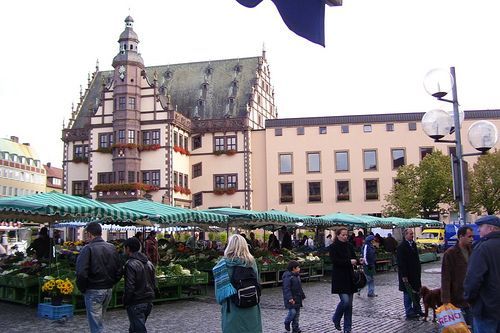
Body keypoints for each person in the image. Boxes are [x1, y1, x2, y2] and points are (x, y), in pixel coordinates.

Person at [76, 222, 123, 333]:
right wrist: (112, 282)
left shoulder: (88, 249)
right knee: (99, 320)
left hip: (94, 289)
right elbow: (120, 269)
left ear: (89, 234)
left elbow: (81, 273)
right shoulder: (111, 247)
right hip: (107, 289)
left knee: (96, 325)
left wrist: (83, 289)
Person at [213, 234, 262, 333]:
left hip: (232, 310)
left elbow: (219, 297)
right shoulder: (251, 262)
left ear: (229, 246)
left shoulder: (222, 265)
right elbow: (257, 282)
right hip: (251, 306)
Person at [464, 215, 500, 333]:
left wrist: (469, 298)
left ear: (491, 228)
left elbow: (473, 279)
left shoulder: (482, 248)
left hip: (486, 308)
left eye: (480, 227)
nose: (478, 230)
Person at [441, 226, 473, 328]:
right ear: (460, 236)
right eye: (469, 236)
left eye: (472, 236)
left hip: (471, 298)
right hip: (457, 299)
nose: (472, 239)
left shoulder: (472, 250)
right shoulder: (450, 253)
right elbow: (445, 278)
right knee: (458, 328)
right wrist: (446, 301)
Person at [123, 237, 156, 333]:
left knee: (138, 329)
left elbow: (130, 286)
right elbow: (154, 282)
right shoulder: (149, 263)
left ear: (128, 248)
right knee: (134, 328)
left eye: (124, 248)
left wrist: (126, 301)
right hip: (148, 300)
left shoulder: (130, 264)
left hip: (137, 301)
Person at [330, 227, 358, 333]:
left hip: (350, 277)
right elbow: (335, 261)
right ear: (338, 235)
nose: (345, 237)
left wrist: (359, 261)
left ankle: (348, 329)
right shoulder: (333, 247)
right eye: (343, 235)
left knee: (349, 306)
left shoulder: (349, 246)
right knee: (345, 301)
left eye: (346, 235)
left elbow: (353, 258)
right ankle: (336, 318)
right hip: (339, 278)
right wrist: (349, 262)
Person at [396, 228, 423, 320]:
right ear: (405, 235)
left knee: (417, 292)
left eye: (412, 234)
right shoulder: (401, 247)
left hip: (415, 273)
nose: (412, 235)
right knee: (408, 293)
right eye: (411, 234)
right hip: (406, 274)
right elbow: (401, 263)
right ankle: (409, 311)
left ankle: (417, 309)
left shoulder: (413, 244)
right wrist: (404, 276)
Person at [282, 260, 306, 333]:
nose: (299, 269)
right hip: (291, 299)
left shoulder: (297, 276)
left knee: (297, 315)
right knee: (292, 312)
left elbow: (299, 287)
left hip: (297, 298)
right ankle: (287, 322)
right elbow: (286, 289)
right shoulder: (288, 277)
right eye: (298, 267)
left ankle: (295, 328)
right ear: (293, 268)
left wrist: (302, 295)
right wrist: (290, 298)